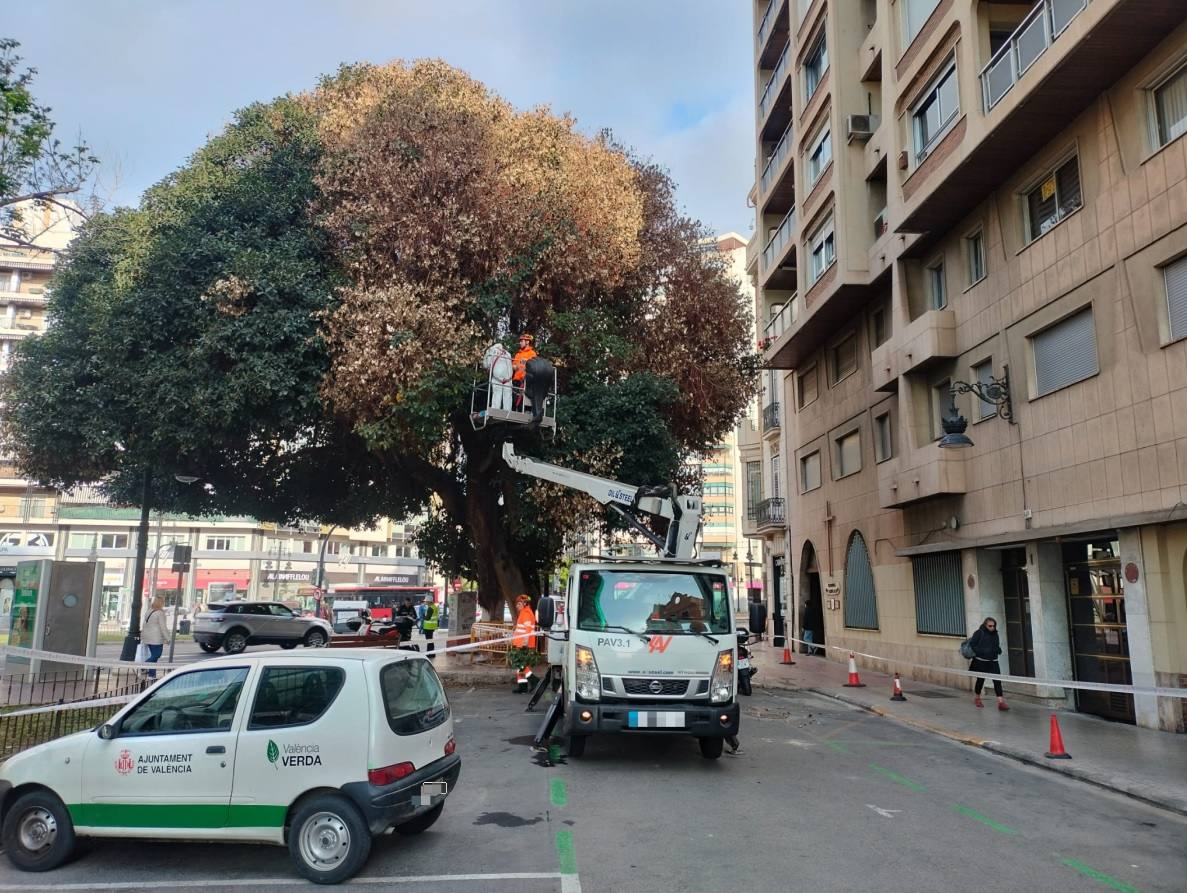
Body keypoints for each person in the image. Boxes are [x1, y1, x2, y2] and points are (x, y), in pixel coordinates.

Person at [969, 616, 1009, 710]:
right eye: (990, 626)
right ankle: (977, 698)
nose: (992, 628)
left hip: (993, 661)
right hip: (981, 661)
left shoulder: (995, 633)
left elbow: (996, 644)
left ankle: (1000, 702)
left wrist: (998, 650)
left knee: (997, 681)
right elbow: (972, 644)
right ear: (985, 625)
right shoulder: (979, 633)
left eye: (994, 626)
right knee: (980, 680)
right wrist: (981, 652)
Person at [511, 594, 538, 693]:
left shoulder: (526, 613)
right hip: (521, 643)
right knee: (520, 666)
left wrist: (525, 642)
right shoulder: (524, 612)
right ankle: (522, 686)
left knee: (521, 664)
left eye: (518, 604)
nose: (517, 606)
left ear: (524, 603)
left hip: (523, 644)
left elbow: (528, 629)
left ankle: (534, 680)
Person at [141, 596, 169, 678]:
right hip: (156, 638)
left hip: (147, 637)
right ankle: (143, 665)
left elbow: (145, 624)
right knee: (157, 655)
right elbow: (163, 627)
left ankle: (151, 675)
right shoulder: (160, 613)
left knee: (154, 657)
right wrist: (168, 638)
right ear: (161, 603)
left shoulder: (149, 611)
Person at [512, 333, 537, 410]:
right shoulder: (518, 354)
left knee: (521, 401)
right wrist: (514, 367)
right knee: (514, 400)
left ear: (527, 342)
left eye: (521, 341)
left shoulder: (532, 353)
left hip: (525, 381)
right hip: (516, 380)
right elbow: (513, 366)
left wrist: (526, 362)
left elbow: (534, 367)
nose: (520, 343)